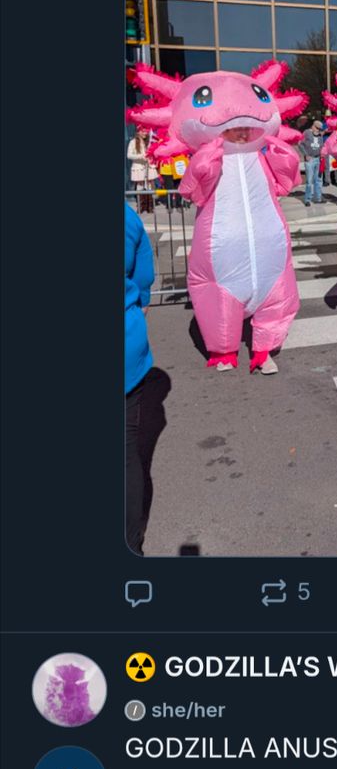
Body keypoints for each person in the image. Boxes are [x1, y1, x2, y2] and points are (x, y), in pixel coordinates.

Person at [125, 203, 169, 554]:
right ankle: (129, 544)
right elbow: (142, 277)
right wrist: (139, 301)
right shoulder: (125, 216)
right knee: (126, 456)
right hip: (126, 349)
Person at [127, 128, 158, 214]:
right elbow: (129, 155)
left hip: (149, 166)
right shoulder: (133, 142)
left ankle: (150, 206)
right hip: (138, 167)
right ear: (138, 132)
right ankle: (141, 206)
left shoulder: (150, 141)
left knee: (150, 185)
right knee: (140, 186)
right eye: (142, 131)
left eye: (146, 131)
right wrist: (141, 156)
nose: (145, 133)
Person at [300, 118, 325, 206]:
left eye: (320, 129)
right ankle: (308, 199)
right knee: (309, 181)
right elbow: (300, 144)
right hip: (309, 160)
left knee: (318, 180)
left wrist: (322, 154)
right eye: (317, 128)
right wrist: (306, 154)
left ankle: (318, 198)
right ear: (313, 126)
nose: (318, 130)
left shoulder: (320, 135)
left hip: (318, 159)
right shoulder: (306, 132)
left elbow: (322, 146)